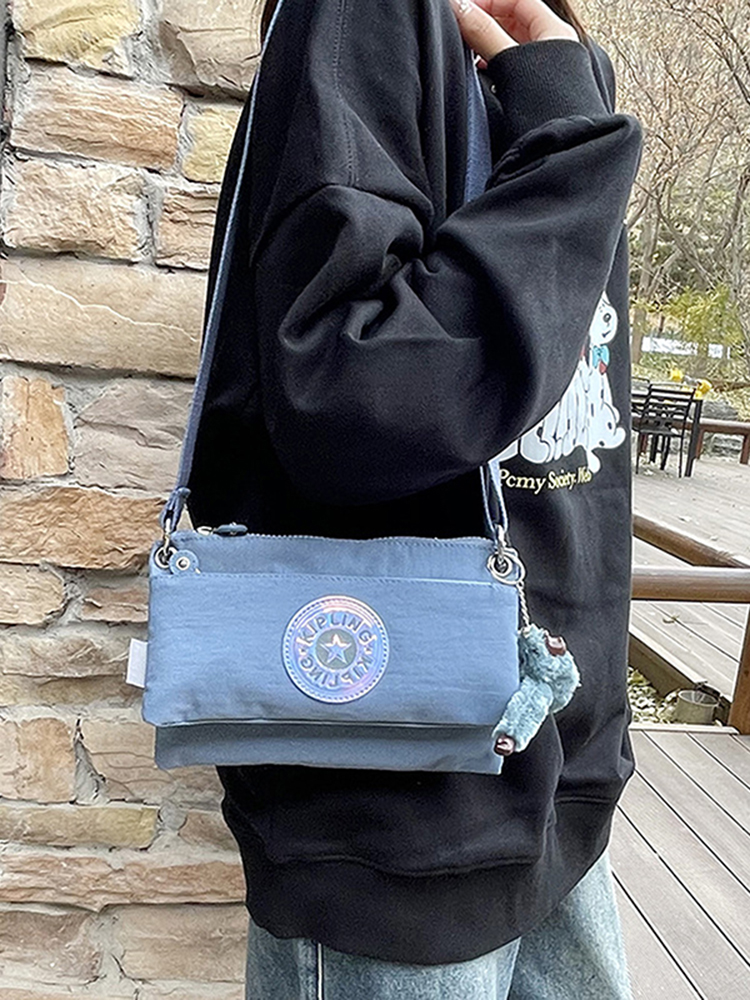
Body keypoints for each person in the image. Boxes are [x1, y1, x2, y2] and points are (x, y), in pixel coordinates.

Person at [186, 0, 643, 995]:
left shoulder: (550, 60)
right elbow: (352, 397)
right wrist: (573, 152)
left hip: (563, 787)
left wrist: (559, 105)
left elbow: (578, 443)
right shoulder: (363, 17)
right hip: (401, 827)